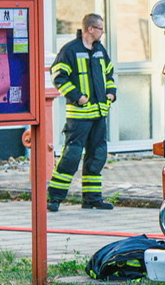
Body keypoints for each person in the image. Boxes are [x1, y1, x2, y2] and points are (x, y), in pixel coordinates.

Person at [48, 14, 117, 212]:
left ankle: (92, 199)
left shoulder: (99, 50)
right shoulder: (70, 50)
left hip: (99, 113)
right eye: (101, 29)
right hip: (79, 116)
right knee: (72, 157)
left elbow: (109, 73)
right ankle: (55, 198)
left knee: (97, 157)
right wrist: (78, 96)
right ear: (90, 29)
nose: (103, 32)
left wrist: (111, 93)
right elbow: (58, 76)